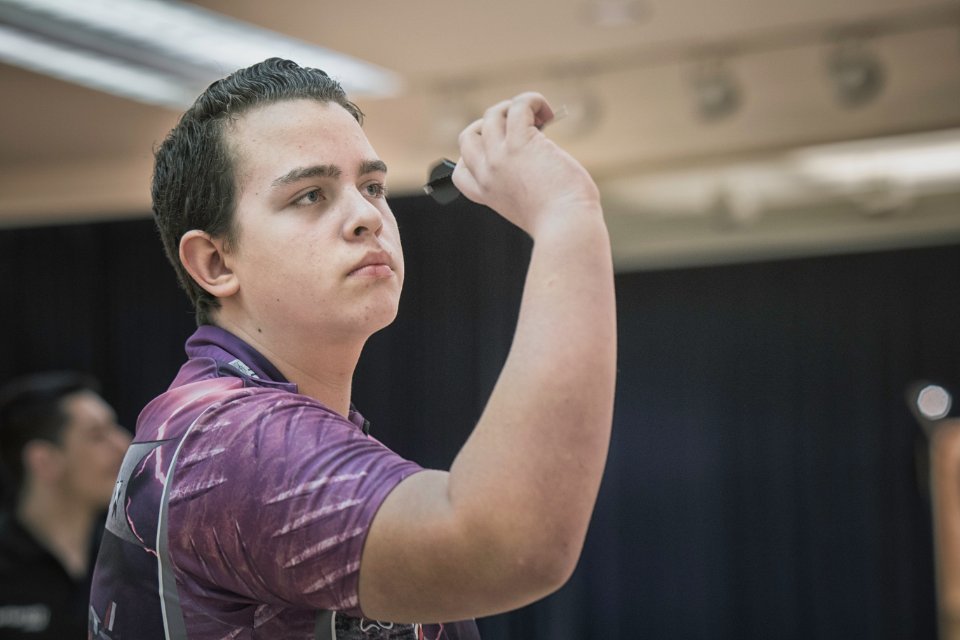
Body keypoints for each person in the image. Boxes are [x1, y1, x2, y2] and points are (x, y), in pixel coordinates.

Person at [89, 57, 616, 639]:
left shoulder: (270, 426)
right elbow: (505, 546)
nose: (368, 216)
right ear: (216, 262)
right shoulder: (227, 439)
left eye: (372, 187)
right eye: (310, 195)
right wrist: (567, 212)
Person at [0, 371, 130, 639]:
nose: (123, 445)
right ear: (44, 461)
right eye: (98, 436)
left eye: (115, 428)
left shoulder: (134, 560)